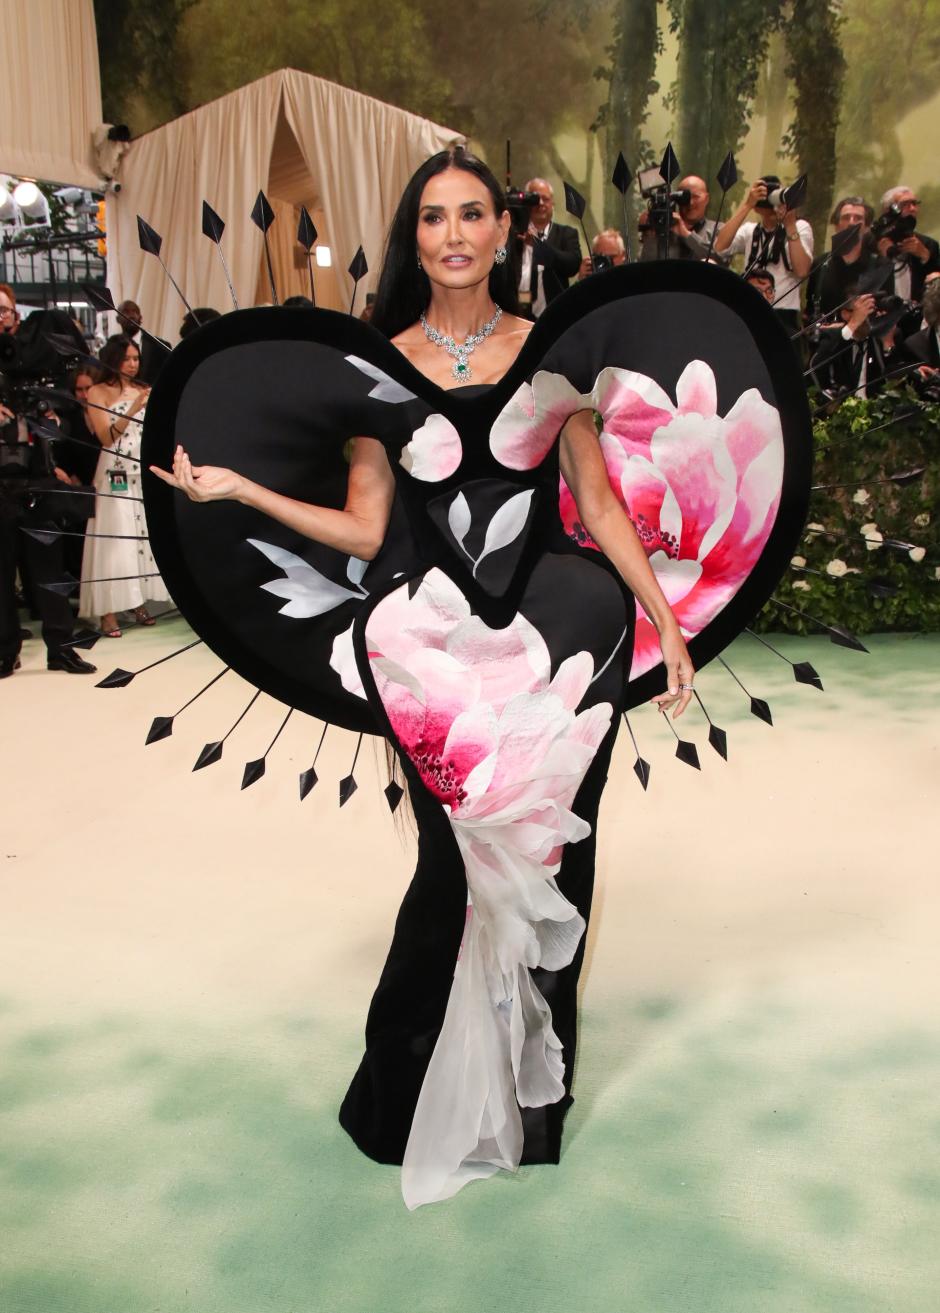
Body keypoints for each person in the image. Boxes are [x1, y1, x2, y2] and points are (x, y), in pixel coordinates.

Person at [145, 147, 808, 1209]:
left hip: (567, 635)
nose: (453, 234)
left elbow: (595, 505)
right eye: (432, 219)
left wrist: (663, 620)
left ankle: (528, 1108)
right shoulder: (376, 366)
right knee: (449, 870)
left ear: (505, 229)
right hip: (426, 647)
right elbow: (366, 527)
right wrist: (245, 490)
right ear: (414, 238)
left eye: (472, 215)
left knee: (558, 867)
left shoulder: (554, 354)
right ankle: (404, 1091)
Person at [0, 283, 96, 676]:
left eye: (4, 311)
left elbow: (66, 416)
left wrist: (51, 421)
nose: (1, 318)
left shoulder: (36, 361)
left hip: (37, 478)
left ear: (15, 315)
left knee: (49, 569)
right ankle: (6, 651)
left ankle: (62, 647)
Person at [79, 335, 169, 636]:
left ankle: (136, 601)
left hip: (140, 471)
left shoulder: (143, 388)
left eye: (136, 359)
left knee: (141, 540)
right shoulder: (97, 392)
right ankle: (108, 611)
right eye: (127, 358)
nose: (132, 364)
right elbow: (106, 437)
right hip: (114, 473)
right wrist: (131, 409)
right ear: (113, 358)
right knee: (114, 541)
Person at [713, 176, 813, 334]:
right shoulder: (750, 231)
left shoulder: (799, 227)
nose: (769, 199)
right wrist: (747, 205)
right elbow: (719, 246)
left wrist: (790, 225)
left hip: (783, 312)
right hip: (749, 308)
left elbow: (802, 271)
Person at [515, 176, 581, 318]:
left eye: (545, 199)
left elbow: (573, 265)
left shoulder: (566, 233)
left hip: (555, 313)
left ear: (553, 203)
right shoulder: (514, 234)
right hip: (516, 312)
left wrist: (538, 245)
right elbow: (499, 261)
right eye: (535, 198)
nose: (540, 203)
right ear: (526, 202)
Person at [876, 186, 940, 307]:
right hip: (882, 316)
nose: (912, 209)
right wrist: (883, 258)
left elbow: (936, 287)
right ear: (887, 210)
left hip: (917, 317)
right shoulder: (874, 242)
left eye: (915, 204)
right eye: (905, 204)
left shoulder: (929, 245)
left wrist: (926, 257)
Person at [639, 174, 726, 262]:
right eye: (685, 198)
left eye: (696, 197)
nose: (690, 203)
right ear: (677, 199)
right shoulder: (664, 230)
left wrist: (687, 235)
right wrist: (649, 237)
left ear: (706, 199)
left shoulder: (719, 229)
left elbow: (720, 259)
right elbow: (646, 267)